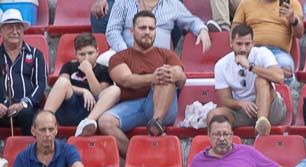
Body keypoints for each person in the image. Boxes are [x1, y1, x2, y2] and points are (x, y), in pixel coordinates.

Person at [99, 12, 187, 154]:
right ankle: (137, 157)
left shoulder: (166, 54)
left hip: (163, 106)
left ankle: (156, 123)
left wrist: (175, 74)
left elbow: (181, 78)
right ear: (132, 31)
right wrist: (153, 78)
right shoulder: (119, 57)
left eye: (151, 28)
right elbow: (126, 80)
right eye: (142, 28)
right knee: (105, 122)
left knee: (165, 75)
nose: (147, 32)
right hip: (132, 106)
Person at [210, 23, 288, 136]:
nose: (243, 48)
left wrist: (250, 67)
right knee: (214, 115)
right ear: (231, 43)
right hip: (243, 110)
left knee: (261, 80)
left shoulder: (262, 53)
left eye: (247, 44)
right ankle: (221, 144)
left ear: (253, 43)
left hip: (270, 108)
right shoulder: (221, 65)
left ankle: (261, 128)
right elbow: (225, 99)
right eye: (239, 44)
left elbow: (279, 77)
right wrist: (240, 103)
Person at [42, 33, 121, 137]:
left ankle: (87, 123)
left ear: (97, 51)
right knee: (63, 82)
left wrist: (88, 71)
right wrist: (84, 91)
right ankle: (44, 121)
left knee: (115, 90)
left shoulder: (104, 70)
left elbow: (99, 94)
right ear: (76, 54)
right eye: (82, 54)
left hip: (92, 111)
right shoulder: (69, 66)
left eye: (90, 53)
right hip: (70, 107)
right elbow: (59, 85)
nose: (87, 58)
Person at [0, 10, 48, 136]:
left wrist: (23, 104)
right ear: (1, 31)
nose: (15, 31)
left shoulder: (36, 54)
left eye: (19, 27)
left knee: (29, 115)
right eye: (10, 27)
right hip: (1, 108)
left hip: (26, 108)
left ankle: (29, 148)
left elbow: (41, 85)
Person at [232, 0, 302, 79]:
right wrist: (240, 51)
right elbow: (235, 31)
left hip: (279, 52)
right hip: (252, 50)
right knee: (240, 69)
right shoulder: (246, 3)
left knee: (286, 70)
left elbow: (299, 34)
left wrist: (293, 20)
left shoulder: (292, 3)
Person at [107, 0, 209, 53]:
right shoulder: (123, 2)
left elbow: (192, 21)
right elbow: (112, 30)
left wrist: (202, 30)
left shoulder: (173, 4)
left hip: (159, 61)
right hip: (125, 57)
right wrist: (125, 52)